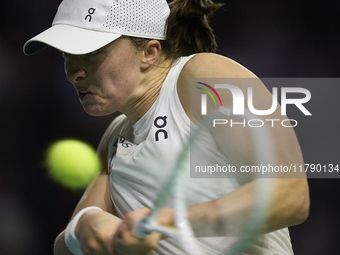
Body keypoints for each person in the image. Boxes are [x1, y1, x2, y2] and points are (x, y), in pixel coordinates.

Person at [24, 0, 310, 254]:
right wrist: (83, 226)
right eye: (66, 55)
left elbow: (291, 194)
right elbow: (67, 245)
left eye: (92, 53)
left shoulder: (205, 75)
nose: (74, 72)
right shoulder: (115, 137)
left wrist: (168, 220)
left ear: (149, 52)